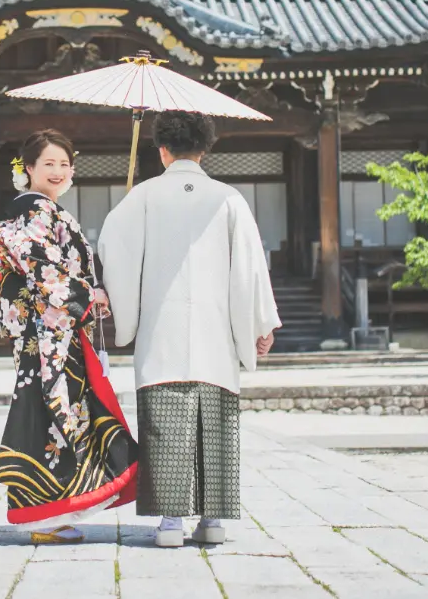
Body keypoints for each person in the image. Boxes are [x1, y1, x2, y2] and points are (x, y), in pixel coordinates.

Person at [97, 111, 280, 548]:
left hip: (162, 331)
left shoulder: (143, 196)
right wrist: (259, 323)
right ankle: (213, 521)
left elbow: (111, 249)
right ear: (204, 149)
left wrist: (117, 243)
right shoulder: (229, 198)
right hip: (216, 334)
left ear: (162, 150)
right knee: (214, 425)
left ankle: (170, 524)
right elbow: (251, 265)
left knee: (165, 424)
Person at [0, 129, 138, 544]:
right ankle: (43, 517)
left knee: (54, 414)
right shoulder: (35, 213)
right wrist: (90, 294)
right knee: (51, 414)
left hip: (54, 332)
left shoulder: (44, 210)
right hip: (48, 335)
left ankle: (50, 512)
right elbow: (41, 268)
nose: (57, 171)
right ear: (28, 168)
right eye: (48, 164)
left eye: (64, 164)